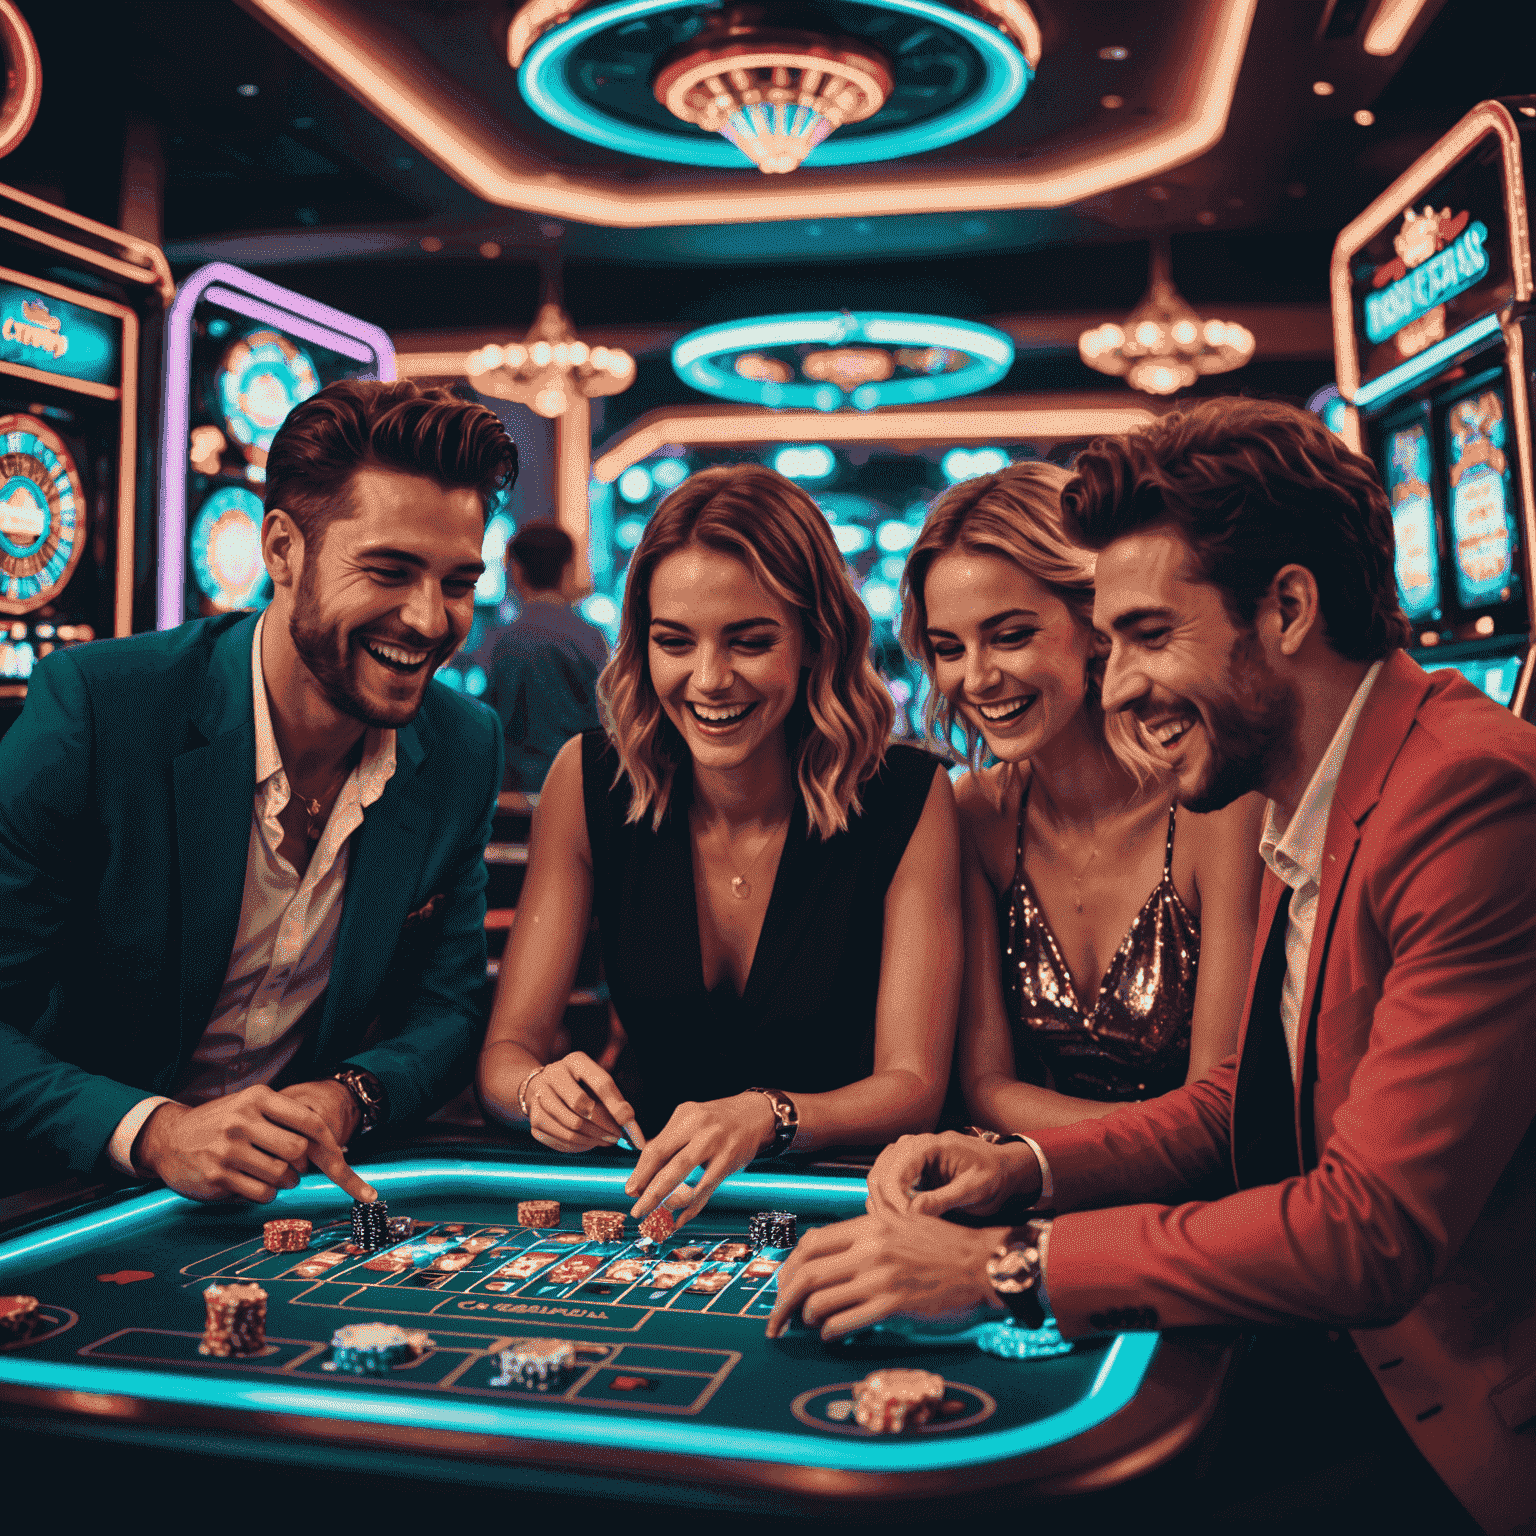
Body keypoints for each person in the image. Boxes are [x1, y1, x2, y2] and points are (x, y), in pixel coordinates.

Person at [770, 399, 1536, 1536]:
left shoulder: (1466, 798)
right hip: (1320, 1351)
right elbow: (1240, 1105)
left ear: (1285, 607)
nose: (1118, 684)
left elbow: (1366, 1232)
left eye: (1145, 634)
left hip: (1436, 1412)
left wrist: (1006, 1270)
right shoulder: (1300, 780)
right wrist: (1021, 1171)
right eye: (1110, 637)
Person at [0, 379, 517, 1205]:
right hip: (64, 1191)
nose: (427, 620)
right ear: (281, 549)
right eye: (389, 570)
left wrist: (349, 1097)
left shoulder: (462, 745)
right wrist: (155, 1131)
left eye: (457, 582)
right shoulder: (99, 711)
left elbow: (447, 1013)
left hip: (293, 1203)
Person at [478, 463, 960, 1226]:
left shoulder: (906, 794)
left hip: (844, 1207)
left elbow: (912, 1084)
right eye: (675, 641)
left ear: (813, 641)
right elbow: (507, 1054)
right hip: (646, 1202)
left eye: (749, 641)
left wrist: (769, 1114)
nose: (708, 679)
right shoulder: (589, 779)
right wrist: (542, 1093)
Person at [899, 462, 1263, 1129]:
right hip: (1037, 1195)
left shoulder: (1217, 803)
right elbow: (986, 1087)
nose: (977, 678)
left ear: (1096, 625)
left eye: (1011, 636)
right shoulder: (976, 813)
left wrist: (1039, 1161)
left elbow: (1218, 1110)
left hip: (1197, 1211)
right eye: (948, 647)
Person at [486, 520, 609, 793]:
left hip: (516, 791)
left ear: (515, 571)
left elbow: (497, 726)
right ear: (568, 569)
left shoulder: (505, 642)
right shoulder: (591, 638)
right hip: (581, 786)